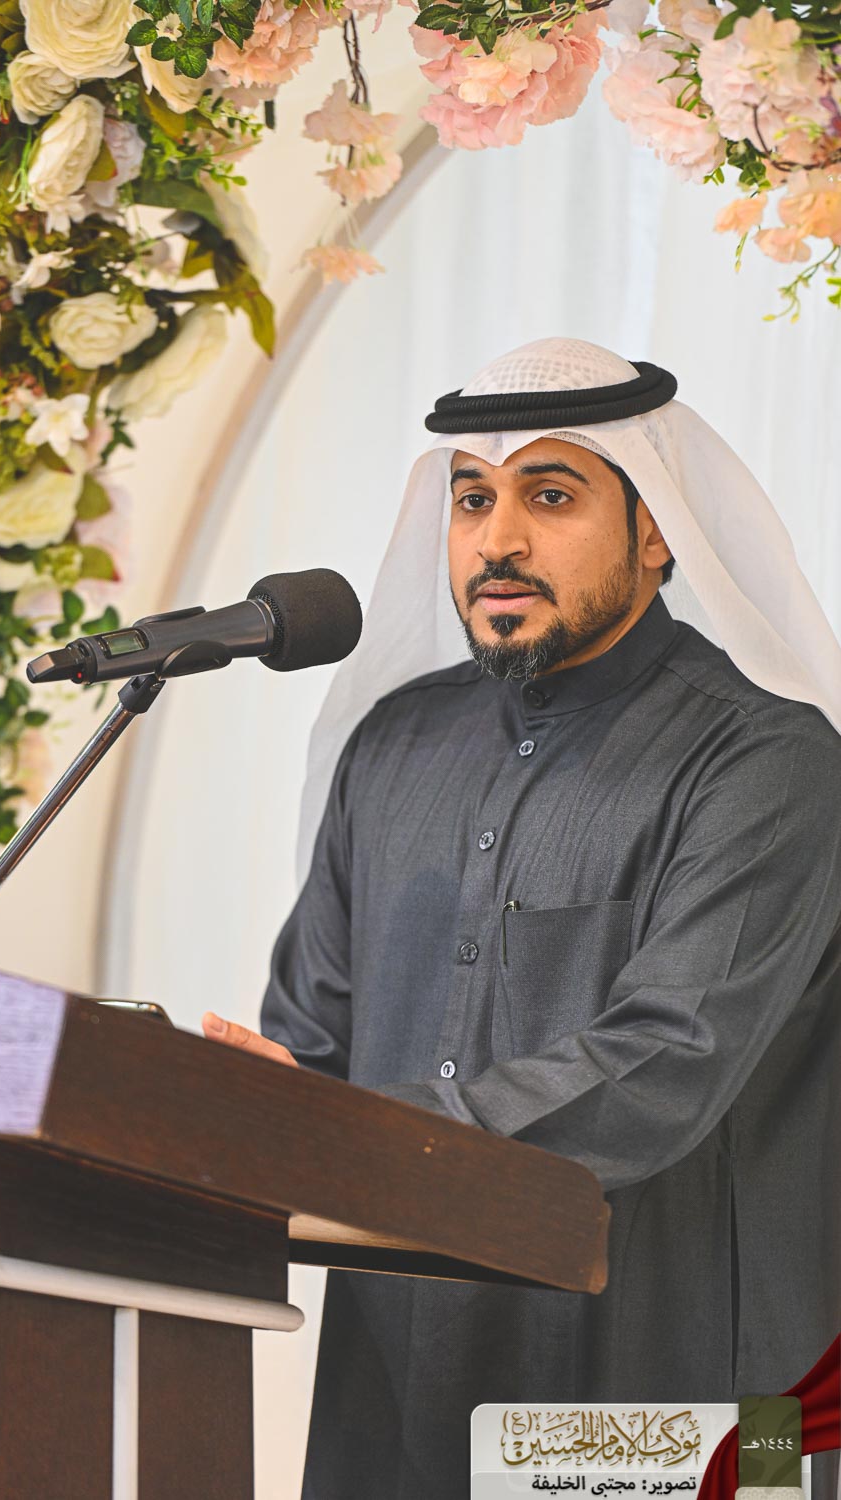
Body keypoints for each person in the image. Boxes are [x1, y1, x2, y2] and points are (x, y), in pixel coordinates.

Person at [201, 339, 841, 1500]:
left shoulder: (765, 757)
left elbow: (667, 1060)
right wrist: (241, 1107)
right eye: (470, 499)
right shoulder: (392, 748)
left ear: (656, 532)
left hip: (677, 1403)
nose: (496, 540)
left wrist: (353, 1134)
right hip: (402, 1381)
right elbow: (314, 1039)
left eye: (549, 496)